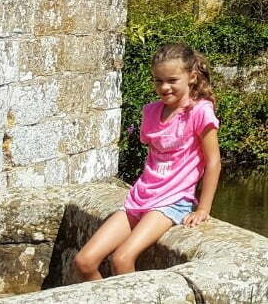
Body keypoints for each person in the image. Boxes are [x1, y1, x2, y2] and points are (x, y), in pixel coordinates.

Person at [72, 42, 221, 281]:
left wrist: (203, 208)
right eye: (158, 80)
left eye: (172, 80)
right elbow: (156, 159)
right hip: (140, 197)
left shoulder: (200, 111)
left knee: (122, 259)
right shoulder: (151, 111)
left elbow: (213, 162)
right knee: (84, 261)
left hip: (173, 201)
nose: (164, 87)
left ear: (192, 77)